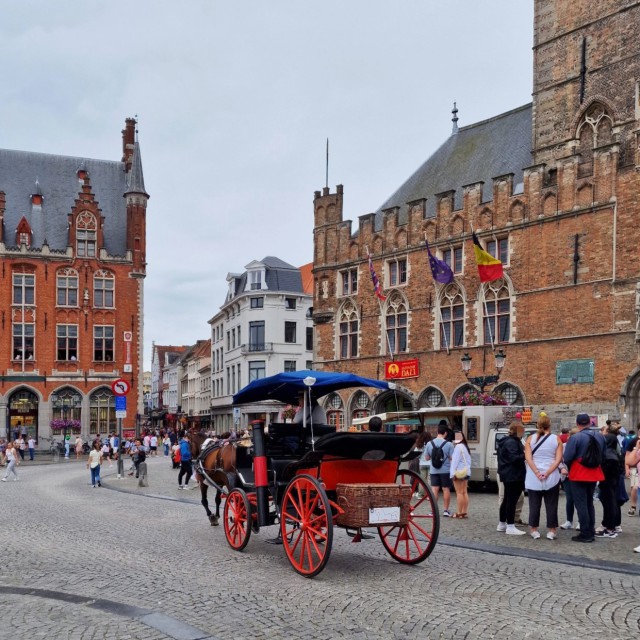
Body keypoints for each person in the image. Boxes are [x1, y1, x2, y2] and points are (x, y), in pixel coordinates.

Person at [563, 413, 605, 543]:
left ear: (577, 423)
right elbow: (603, 453)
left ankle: (585, 533)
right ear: (589, 422)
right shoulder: (600, 436)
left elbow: (568, 457)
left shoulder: (575, 438)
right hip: (594, 472)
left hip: (579, 473)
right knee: (589, 503)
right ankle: (590, 530)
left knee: (581, 504)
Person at [524, 414, 562, 539]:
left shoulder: (530, 439)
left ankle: (534, 529)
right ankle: (552, 530)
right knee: (552, 504)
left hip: (534, 477)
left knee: (534, 504)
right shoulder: (556, 439)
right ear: (549, 425)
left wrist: (536, 472)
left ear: (537, 425)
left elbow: (528, 458)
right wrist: (548, 472)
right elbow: (558, 460)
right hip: (551, 477)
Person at [497, 421, 526, 535]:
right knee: (511, 501)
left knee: (507, 500)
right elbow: (514, 458)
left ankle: (502, 524)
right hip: (513, 475)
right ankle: (510, 526)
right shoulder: (512, 442)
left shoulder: (506, 441)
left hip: (507, 474)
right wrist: (526, 454)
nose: (523, 433)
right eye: (522, 430)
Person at [596, 422, 624, 538]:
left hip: (608, 479)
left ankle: (609, 528)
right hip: (612, 479)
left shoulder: (608, 455)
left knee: (609, 501)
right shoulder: (614, 454)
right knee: (610, 501)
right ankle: (610, 526)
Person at [424, 422, 455, 517]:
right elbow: (451, 458)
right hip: (446, 470)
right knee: (446, 489)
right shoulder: (449, 444)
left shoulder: (430, 443)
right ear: (445, 433)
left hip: (434, 470)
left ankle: (433, 511)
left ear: (437, 432)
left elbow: (427, 458)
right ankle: (446, 510)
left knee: (434, 490)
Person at [450, 431, 472, 518]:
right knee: (464, 492)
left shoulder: (458, 447)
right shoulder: (465, 447)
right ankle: (464, 511)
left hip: (459, 472)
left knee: (459, 493)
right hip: (466, 471)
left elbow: (454, 462)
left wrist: (452, 474)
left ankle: (459, 512)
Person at [625, 436, 639, 516]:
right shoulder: (634, 441)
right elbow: (627, 456)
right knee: (634, 487)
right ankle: (633, 506)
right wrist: (627, 468)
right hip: (634, 468)